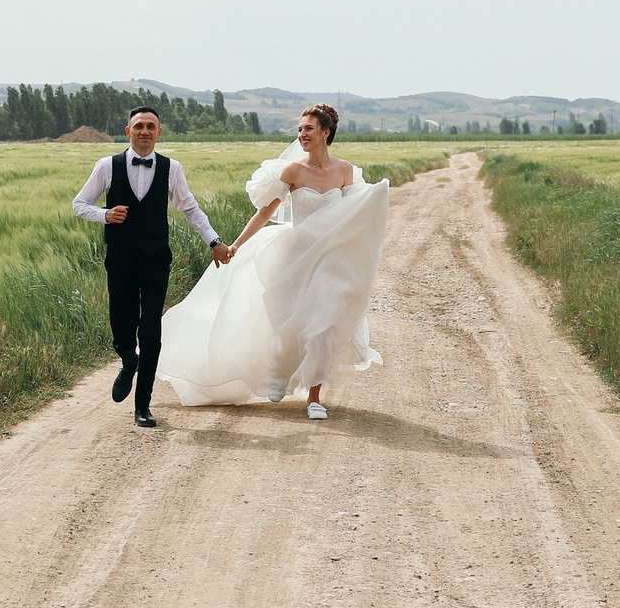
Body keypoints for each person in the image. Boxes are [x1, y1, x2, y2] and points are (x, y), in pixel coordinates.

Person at [157, 102, 389, 419]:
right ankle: (278, 373)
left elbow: (354, 215)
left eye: (308, 128)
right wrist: (236, 245)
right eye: (300, 129)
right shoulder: (292, 171)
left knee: (321, 325)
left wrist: (378, 197)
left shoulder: (345, 171)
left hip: (328, 261)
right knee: (287, 323)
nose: (302, 134)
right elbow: (265, 211)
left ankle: (314, 397)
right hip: (294, 256)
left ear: (326, 132)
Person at [71, 106, 233, 428]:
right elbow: (79, 204)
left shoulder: (172, 169)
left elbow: (190, 209)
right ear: (128, 130)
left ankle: (142, 405)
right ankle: (127, 359)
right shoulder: (107, 166)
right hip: (119, 258)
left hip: (156, 258)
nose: (145, 131)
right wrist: (105, 215)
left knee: (151, 331)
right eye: (139, 126)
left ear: (159, 133)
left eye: (151, 126)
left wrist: (214, 241)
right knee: (121, 323)